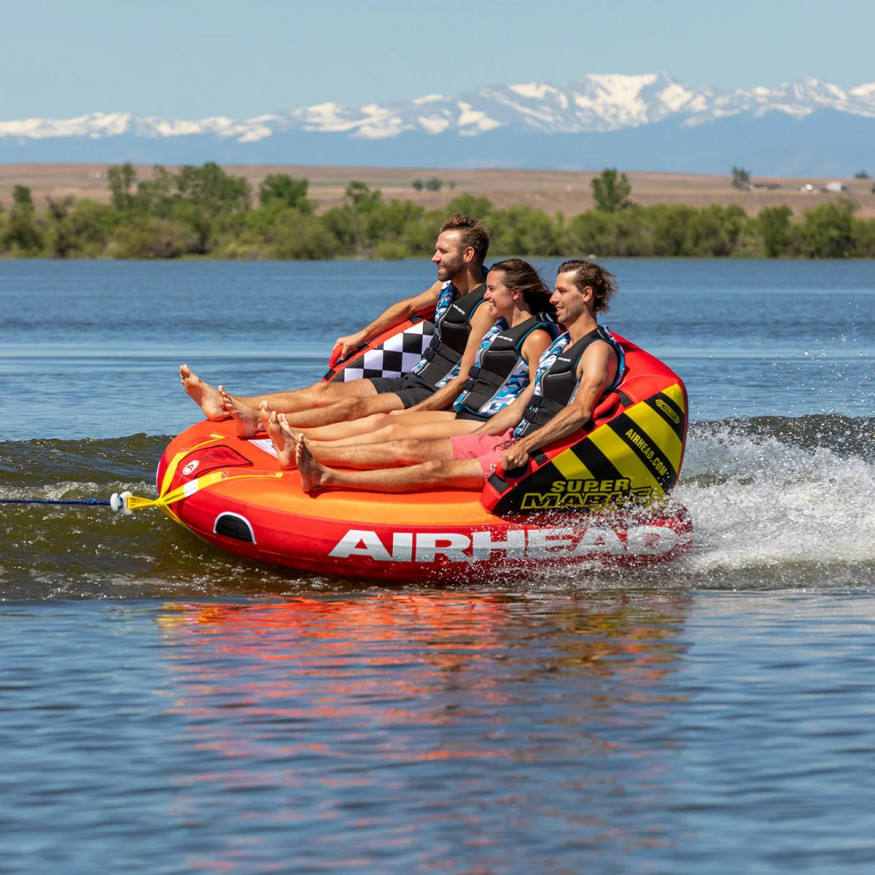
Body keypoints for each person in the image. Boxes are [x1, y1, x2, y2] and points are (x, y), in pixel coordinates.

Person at [294, 259, 625, 495]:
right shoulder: (561, 344)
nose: (553, 298)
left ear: (586, 295)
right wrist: (481, 435)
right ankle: (311, 452)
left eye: (562, 291)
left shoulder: (597, 349)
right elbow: (525, 400)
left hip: (543, 452)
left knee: (432, 469)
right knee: (409, 445)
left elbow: (580, 411)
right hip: (509, 435)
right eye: (555, 290)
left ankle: (326, 477)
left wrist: (524, 445)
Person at [180, 212, 491, 432]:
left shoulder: (489, 303)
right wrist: (360, 335)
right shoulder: (446, 287)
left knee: (349, 408)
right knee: (323, 392)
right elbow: (409, 306)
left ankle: (260, 423)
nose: (434, 258)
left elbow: (468, 376)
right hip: (415, 377)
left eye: (442, 251)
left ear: (467, 255)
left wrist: (424, 410)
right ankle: (228, 404)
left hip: (435, 392)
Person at [263, 258, 557, 463]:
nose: (487, 295)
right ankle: (298, 436)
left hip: (488, 420)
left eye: (492, 290)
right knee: (383, 420)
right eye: (487, 288)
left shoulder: (535, 338)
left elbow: (536, 396)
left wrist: (515, 439)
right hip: (464, 410)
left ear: (515, 294)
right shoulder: (499, 327)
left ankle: (310, 451)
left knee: (394, 431)